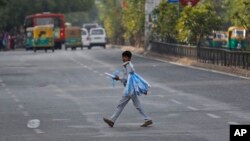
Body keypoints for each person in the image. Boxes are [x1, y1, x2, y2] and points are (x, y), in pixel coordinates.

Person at [103, 51, 153, 127]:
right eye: (123, 57)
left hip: (129, 89)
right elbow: (126, 78)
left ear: (129, 58)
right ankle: (147, 119)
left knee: (121, 105)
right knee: (137, 105)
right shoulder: (126, 65)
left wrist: (120, 76)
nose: (123, 58)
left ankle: (112, 121)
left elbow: (130, 74)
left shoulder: (128, 65)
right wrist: (118, 78)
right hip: (130, 88)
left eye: (125, 57)